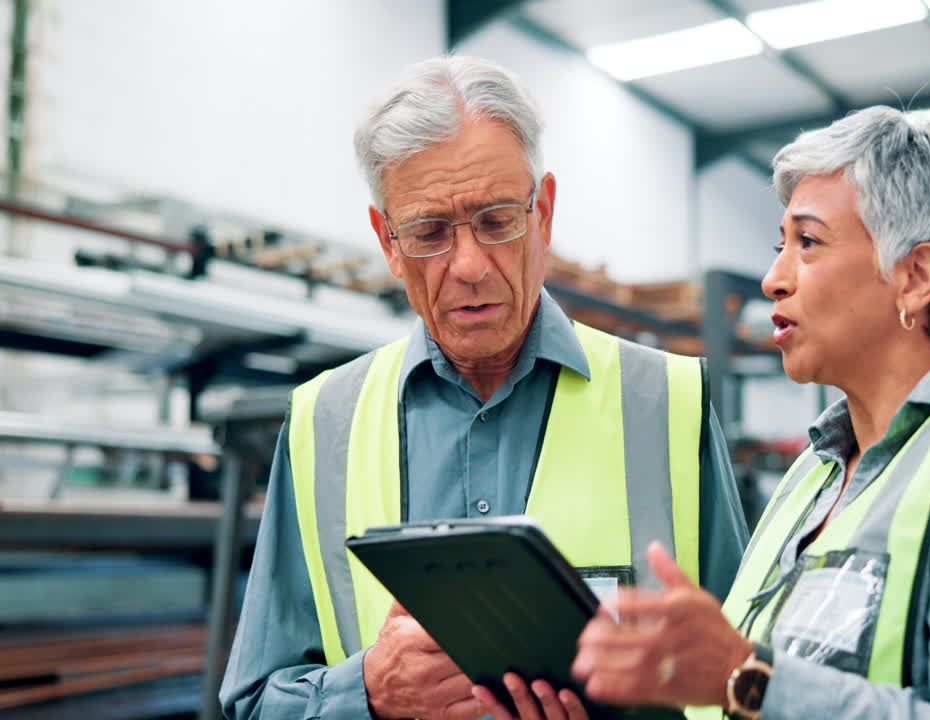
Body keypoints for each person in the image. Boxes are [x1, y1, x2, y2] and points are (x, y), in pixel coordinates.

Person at [478, 106, 930, 720]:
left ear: (915, 277)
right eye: (780, 247)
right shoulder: (814, 478)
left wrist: (748, 678)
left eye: (809, 243)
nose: (774, 279)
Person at [219, 56, 749, 720]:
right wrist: (368, 694)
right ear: (387, 241)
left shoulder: (667, 404)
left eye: (497, 221)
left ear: (544, 211)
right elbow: (253, 702)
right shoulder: (323, 423)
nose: (468, 266)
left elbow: (750, 685)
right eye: (429, 233)